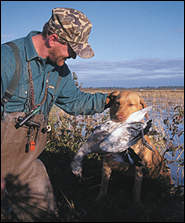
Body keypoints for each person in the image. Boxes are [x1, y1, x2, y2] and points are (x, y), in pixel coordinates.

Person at [1, 7, 112, 220]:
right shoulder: (7, 60)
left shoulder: (60, 71)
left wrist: (110, 100)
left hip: (26, 164)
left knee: (45, 215)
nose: (73, 57)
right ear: (53, 39)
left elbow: (76, 101)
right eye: (72, 50)